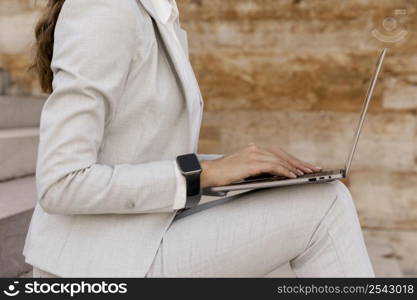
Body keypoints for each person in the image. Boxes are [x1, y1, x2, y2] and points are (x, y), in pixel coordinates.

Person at [24, 0, 374, 277]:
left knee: (322, 195)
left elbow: (133, 151)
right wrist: (201, 174)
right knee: (324, 205)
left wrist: (234, 169)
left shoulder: (157, 13)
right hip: (96, 264)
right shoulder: (105, 8)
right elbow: (61, 182)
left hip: (136, 237)